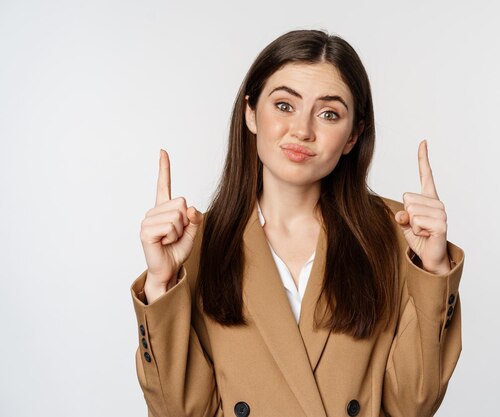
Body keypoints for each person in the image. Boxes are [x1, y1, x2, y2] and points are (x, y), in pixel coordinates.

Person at [131, 29, 465, 417]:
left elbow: (412, 405)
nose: (303, 130)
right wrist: (161, 284)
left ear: (353, 136)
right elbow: (178, 412)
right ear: (250, 113)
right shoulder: (193, 244)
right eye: (285, 106)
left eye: (328, 113)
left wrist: (433, 272)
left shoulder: (400, 238)